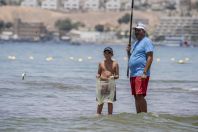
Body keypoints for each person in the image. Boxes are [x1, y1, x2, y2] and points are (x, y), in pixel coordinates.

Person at [127, 23, 154, 113]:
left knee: (139, 95)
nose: (136, 32)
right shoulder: (136, 43)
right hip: (133, 73)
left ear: (143, 31)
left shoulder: (146, 41)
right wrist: (128, 52)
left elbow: (150, 57)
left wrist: (145, 72)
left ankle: (144, 116)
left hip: (140, 73)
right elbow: (132, 58)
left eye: (138, 30)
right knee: (135, 95)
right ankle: (139, 116)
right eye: (135, 30)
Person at [96, 47, 119, 115]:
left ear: (112, 54)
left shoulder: (115, 64)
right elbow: (98, 73)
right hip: (102, 83)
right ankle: (98, 114)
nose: (107, 54)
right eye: (105, 53)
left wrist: (113, 77)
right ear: (103, 54)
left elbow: (117, 76)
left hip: (111, 84)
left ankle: (110, 116)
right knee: (100, 101)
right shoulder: (101, 63)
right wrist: (97, 75)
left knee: (110, 102)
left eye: (109, 53)